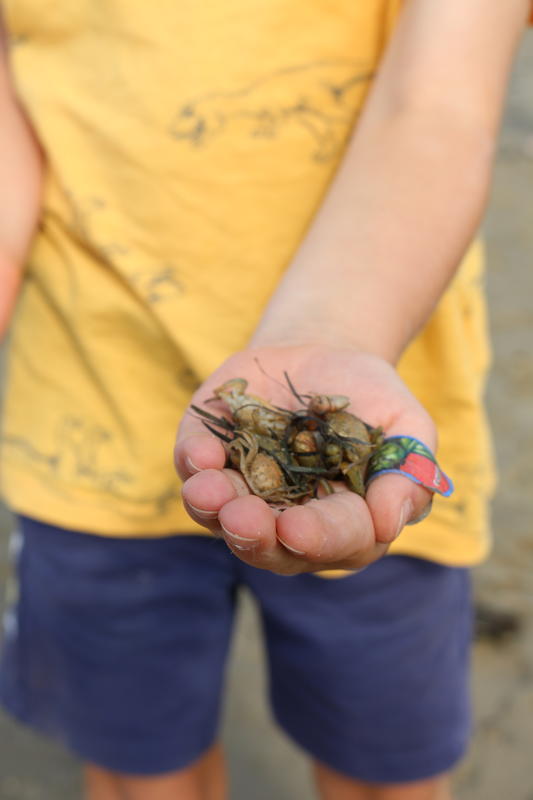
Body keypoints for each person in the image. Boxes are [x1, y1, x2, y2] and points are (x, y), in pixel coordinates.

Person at [0, 1, 531, 799]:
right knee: (136, 763)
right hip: (84, 426)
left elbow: (435, 106)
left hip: (379, 391)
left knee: (384, 764)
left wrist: (333, 330)